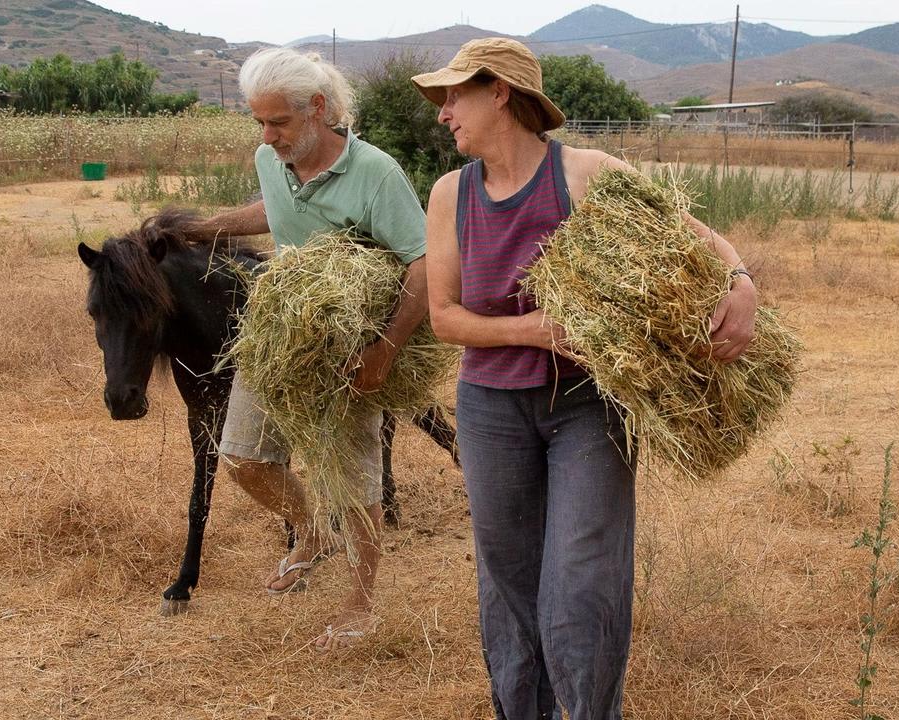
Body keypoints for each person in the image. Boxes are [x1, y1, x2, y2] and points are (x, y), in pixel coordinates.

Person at [412, 38, 757, 718]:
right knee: (508, 585)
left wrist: (740, 281)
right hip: (489, 408)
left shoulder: (586, 174)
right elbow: (445, 318)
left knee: (581, 582)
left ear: (500, 92)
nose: (444, 113)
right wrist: (532, 330)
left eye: (455, 96)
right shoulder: (451, 193)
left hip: (587, 406)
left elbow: (694, 234)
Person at [184, 47, 428, 651]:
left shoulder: (377, 174)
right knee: (243, 457)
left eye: (279, 123)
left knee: (354, 479)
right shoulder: (272, 158)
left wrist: (384, 349)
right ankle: (309, 529)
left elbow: (422, 266)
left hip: (350, 344)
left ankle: (360, 600)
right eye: (259, 123)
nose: (267, 136)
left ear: (318, 109)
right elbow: (275, 208)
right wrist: (201, 226)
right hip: (280, 331)